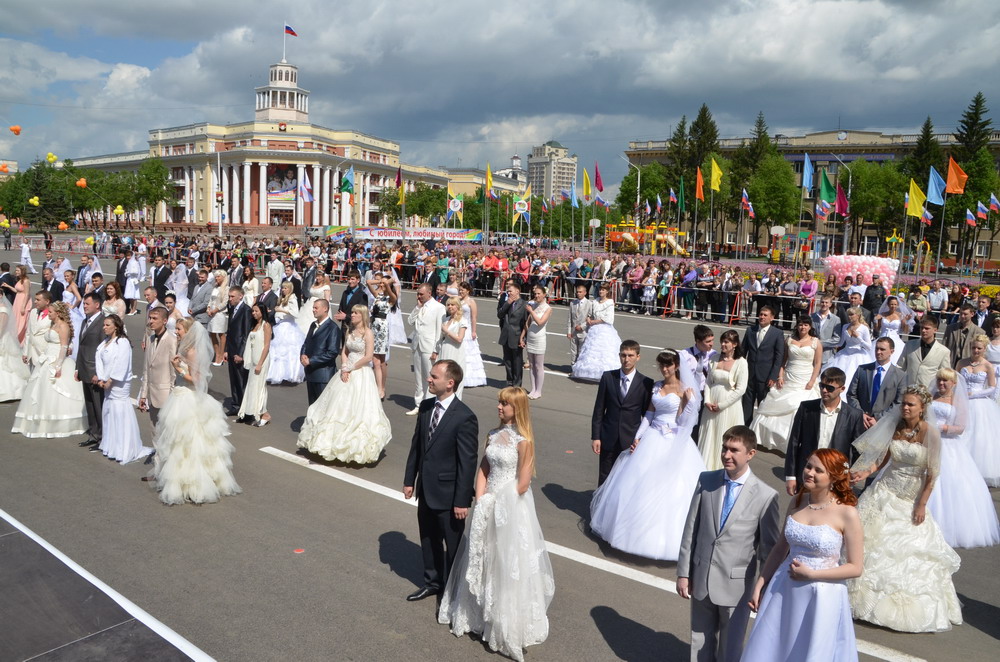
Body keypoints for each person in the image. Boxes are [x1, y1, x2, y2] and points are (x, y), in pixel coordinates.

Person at [438, 387, 554, 662]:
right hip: (489, 502)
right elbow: (484, 468)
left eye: (505, 404)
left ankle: (501, 620)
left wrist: (497, 501)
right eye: (499, 403)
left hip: (511, 506)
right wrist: (481, 497)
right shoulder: (492, 434)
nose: (499, 407)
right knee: (483, 555)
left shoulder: (523, 441)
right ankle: (478, 613)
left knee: (505, 560)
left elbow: (523, 483)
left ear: (518, 408)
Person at [847, 386, 962, 632]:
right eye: (904, 404)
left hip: (910, 498)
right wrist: (864, 472)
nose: (905, 408)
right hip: (885, 491)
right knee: (865, 541)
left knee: (908, 553)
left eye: (911, 404)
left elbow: (932, 474)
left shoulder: (931, 434)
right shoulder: (896, 427)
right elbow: (883, 461)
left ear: (922, 409)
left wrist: (921, 504)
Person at [741, 449, 863, 662]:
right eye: (808, 466)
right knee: (774, 646)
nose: (809, 473)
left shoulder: (847, 513)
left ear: (833, 477)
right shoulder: (797, 502)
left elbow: (855, 567)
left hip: (821, 594)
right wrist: (761, 582)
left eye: (818, 470)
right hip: (784, 588)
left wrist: (813, 574)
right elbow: (780, 548)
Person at [590, 349, 706, 560]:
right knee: (637, 483)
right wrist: (638, 436)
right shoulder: (657, 386)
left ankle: (661, 540)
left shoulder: (685, 389)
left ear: (676, 366)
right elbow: (649, 414)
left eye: (668, 365)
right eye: (662, 365)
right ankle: (627, 532)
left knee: (671, 489)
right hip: (652, 436)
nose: (664, 369)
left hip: (672, 439)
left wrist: (688, 404)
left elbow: (684, 423)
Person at [677, 426, 780, 662]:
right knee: (699, 641)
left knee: (730, 648)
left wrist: (763, 589)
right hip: (701, 577)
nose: (726, 455)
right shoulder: (707, 480)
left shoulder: (766, 496)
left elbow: (769, 550)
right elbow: (690, 529)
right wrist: (684, 573)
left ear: (751, 454)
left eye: (734, 450)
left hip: (737, 588)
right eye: (724, 448)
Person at [403, 360, 479, 602]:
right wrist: (409, 480)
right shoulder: (426, 407)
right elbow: (417, 447)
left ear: (450, 383)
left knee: (453, 547)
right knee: (428, 538)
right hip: (426, 489)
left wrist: (461, 501)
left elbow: (467, 463)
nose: (429, 379)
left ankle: (453, 593)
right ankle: (432, 583)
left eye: (434, 376)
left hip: (450, 497)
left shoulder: (465, 417)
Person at [152, 318, 241, 506]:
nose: (176, 332)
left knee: (191, 442)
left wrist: (178, 369)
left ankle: (194, 484)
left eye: (179, 329)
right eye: (176, 329)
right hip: (180, 394)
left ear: (189, 332)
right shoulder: (184, 349)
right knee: (177, 442)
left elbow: (197, 380)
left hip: (188, 397)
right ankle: (179, 480)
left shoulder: (192, 352)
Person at [297, 305, 391, 464]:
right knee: (335, 406)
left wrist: (351, 368)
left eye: (355, 313)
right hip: (346, 370)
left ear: (362, 315)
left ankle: (356, 448)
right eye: (352, 312)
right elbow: (344, 351)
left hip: (361, 372)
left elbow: (368, 357)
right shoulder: (350, 331)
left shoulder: (368, 333)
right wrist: (344, 367)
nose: (352, 315)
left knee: (358, 411)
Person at [928, 368, 1000, 548]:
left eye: (945, 381)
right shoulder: (931, 397)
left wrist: (941, 428)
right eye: (939, 380)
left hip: (949, 446)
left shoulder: (958, 400)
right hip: (929, 443)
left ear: (953, 384)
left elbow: (961, 427)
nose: (941, 384)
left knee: (950, 486)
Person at [783, 366, 865, 496]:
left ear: (842, 389)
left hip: (835, 478)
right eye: (822, 386)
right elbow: (794, 443)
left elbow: (857, 450)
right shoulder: (806, 408)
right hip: (807, 476)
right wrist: (790, 476)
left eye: (830, 388)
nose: (824, 390)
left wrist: (852, 473)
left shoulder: (854, 415)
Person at [12, 300, 87, 438]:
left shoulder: (63, 326)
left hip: (56, 360)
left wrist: (58, 366)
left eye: (51, 312)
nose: (49, 314)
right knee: (38, 390)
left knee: (54, 392)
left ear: (58, 313)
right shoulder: (53, 324)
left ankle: (54, 423)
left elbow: (64, 346)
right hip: (46, 358)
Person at [750, 316, 823, 453]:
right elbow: (783, 361)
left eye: (806, 325)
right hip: (789, 377)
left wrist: (812, 380)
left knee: (797, 406)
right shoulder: (789, 340)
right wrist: (780, 376)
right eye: (800, 325)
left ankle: (793, 442)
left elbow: (818, 363)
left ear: (810, 327)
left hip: (805, 379)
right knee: (774, 404)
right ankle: (765, 438)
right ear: (797, 326)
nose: (803, 327)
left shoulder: (815, 342)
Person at [590, 340, 654, 486]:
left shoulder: (645, 382)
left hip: (631, 438)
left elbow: (647, 415)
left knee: (626, 477)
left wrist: (642, 439)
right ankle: (601, 507)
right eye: (623, 355)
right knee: (605, 475)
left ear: (638, 357)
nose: (627, 359)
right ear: (619, 356)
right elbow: (599, 409)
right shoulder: (608, 378)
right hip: (608, 436)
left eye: (631, 355)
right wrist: (596, 436)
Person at [95, 314, 151, 463]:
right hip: (106, 382)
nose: (104, 328)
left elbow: (122, 363)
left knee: (119, 411)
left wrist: (111, 380)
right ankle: (111, 445)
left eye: (108, 325)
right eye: (104, 325)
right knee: (109, 412)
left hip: (118, 384)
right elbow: (100, 359)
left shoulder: (123, 342)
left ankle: (123, 448)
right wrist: (101, 378)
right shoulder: (106, 341)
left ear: (116, 326)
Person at [698, 330, 748, 471]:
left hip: (728, 407)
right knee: (709, 435)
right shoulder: (714, 358)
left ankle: (722, 468)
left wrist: (722, 405)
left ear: (735, 344)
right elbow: (708, 382)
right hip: (711, 406)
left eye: (726, 342)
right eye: (722, 341)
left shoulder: (741, 363)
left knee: (724, 436)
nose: (723, 344)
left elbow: (741, 389)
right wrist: (707, 400)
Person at [956, 333, 1000, 486]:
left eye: (979, 348)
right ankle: (959, 467)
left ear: (984, 349)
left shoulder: (988, 366)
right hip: (961, 402)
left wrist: (974, 393)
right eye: (973, 347)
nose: (975, 351)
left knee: (978, 435)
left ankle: (976, 469)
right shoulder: (962, 363)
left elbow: (992, 388)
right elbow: (954, 381)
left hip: (979, 403)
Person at [847, 337, 907, 428]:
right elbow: (851, 395)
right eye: (876, 348)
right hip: (860, 422)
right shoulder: (862, 370)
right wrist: (861, 414)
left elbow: (899, 402)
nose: (878, 352)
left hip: (884, 425)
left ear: (892, 351)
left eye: (882, 349)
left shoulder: (900, 376)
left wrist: (878, 418)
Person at [740, 306, 785, 425]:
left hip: (766, 376)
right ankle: (745, 428)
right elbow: (743, 352)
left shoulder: (777, 333)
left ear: (772, 318)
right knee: (746, 404)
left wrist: (773, 376)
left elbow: (779, 357)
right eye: (760, 314)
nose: (762, 317)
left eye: (765, 315)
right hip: (749, 374)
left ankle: (759, 429)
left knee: (763, 405)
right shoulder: (750, 330)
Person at [572, 283, 623, 382]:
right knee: (591, 350)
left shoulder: (609, 302)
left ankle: (605, 373)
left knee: (604, 351)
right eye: (600, 290)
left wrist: (595, 321)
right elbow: (590, 313)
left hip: (604, 329)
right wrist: (588, 318)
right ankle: (589, 372)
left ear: (607, 291)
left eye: (603, 290)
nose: (601, 292)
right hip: (594, 329)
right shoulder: (595, 301)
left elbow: (609, 318)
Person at [407, 284, 446, 415]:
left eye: (421, 294)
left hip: (429, 346)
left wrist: (436, 349)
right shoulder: (419, 306)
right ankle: (418, 404)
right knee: (418, 376)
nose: (419, 296)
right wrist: (417, 307)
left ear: (429, 293)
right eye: (418, 294)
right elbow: (410, 321)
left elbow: (439, 331)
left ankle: (430, 403)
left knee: (429, 377)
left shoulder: (439, 307)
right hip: (417, 344)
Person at [76, 292, 106, 448]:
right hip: (84, 368)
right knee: (89, 404)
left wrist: (99, 373)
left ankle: (102, 437)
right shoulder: (84, 321)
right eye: (84, 304)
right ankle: (94, 433)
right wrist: (77, 368)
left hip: (95, 371)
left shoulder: (103, 323)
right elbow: (81, 347)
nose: (84, 306)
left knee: (98, 405)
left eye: (87, 304)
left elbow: (103, 350)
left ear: (97, 305)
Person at [138, 307, 176, 427]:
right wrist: (143, 394)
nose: (151, 321)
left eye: (155, 318)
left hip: (165, 394)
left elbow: (173, 371)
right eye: (150, 318)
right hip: (152, 393)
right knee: (154, 432)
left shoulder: (171, 340)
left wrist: (172, 395)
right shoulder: (150, 339)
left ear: (165, 321)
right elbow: (146, 368)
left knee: (167, 432)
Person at [237, 303, 272, 427]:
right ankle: (250, 412)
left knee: (259, 386)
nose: (254, 313)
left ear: (262, 311)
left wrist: (260, 364)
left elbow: (267, 345)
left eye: (256, 311)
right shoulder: (254, 325)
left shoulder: (266, 325)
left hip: (261, 360)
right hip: (252, 359)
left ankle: (264, 414)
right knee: (251, 386)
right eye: (253, 311)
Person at [300, 299, 342, 405]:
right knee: (312, 405)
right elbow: (306, 343)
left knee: (322, 406)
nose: (313, 310)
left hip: (323, 374)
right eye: (313, 308)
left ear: (325, 309)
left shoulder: (332, 328)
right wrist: (303, 354)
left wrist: (311, 361)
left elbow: (332, 352)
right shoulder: (313, 325)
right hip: (310, 373)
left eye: (316, 308)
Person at [267, 281, 306, 385]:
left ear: (290, 289)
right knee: (276, 351)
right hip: (280, 325)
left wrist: (282, 310)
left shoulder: (292, 298)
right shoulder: (281, 298)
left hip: (289, 326)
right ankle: (276, 373)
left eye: (285, 288)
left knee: (289, 351)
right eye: (282, 288)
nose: (283, 290)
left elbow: (295, 313)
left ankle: (291, 374)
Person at [827, 306, 872, 393]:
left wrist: (859, 338)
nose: (849, 317)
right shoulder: (845, 326)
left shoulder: (864, 328)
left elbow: (869, 347)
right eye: (848, 315)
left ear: (858, 315)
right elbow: (841, 343)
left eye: (852, 315)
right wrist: (830, 345)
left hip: (858, 355)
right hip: (845, 353)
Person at [899, 315, 952, 389]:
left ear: (935, 330)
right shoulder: (909, 345)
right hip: (910, 391)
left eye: (927, 328)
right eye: (922, 328)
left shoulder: (944, 351)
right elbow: (900, 368)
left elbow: (945, 376)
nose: (923, 330)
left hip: (930, 393)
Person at [223, 287, 252, 417]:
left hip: (239, 351)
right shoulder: (232, 309)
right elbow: (229, 331)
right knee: (233, 379)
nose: (230, 299)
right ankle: (235, 405)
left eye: (232, 296)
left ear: (241, 296)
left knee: (241, 380)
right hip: (231, 348)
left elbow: (245, 334)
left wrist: (241, 353)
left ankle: (243, 407)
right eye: (229, 296)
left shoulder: (246, 310)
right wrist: (225, 350)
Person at [369, 275, 398, 400]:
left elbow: (387, 287)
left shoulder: (391, 298)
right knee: (375, 360)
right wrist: (381, 280)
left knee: (381, 361)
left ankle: (382, 387)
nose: (380, 285)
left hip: (382, 328)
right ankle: (378, 387)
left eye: (383, 284)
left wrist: (388, 282)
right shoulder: (378, 295)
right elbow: (369, 282)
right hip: (373, 326)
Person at [496, 280, 527, 387]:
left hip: (517, 336)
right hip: (506, 335)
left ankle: (517, 384)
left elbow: (525, 323)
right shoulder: (507, 302)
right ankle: (509, 382)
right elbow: (500, 315)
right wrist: (507, 303)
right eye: (508, 291)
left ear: (517, 291)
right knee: (508, 361)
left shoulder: (523, 304)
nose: (509, 293)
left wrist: (524, 339)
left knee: (517, 362)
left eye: (511, 291)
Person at [523, 284, 552, 399]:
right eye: (535, 293)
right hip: (530, 336)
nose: (537, 295)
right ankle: (533, 388)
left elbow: (540, 322)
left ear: (544, 295)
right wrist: (523, 336)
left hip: (539, 338)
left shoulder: (548, 308)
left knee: (539, 365)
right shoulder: (533, 305)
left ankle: (538, 390)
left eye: (539, 293)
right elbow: (528, 322)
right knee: (531, 365)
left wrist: (531, 311)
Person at [457, 281, 487, 388]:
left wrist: (474, 331)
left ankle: (471, 377)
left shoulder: (471, 302)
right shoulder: (458, 300)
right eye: (459, 289)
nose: (460, 291)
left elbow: (474, 318)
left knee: (468, 354)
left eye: (462, 290)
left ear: (468, 290)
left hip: (468, 328)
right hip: (458, 327)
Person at [0, 296, 30, 401]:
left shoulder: (3, 309)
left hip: (2, 338)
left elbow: (1, 328)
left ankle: (10, 391)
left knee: (5, 362)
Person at [874, 296, 913, 365]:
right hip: (883, 337)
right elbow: (877, 328)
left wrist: (906, 322)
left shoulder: (901, 316)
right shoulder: (883, 314)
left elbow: (905, 331)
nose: (893, 306)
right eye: (891, 304)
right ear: (888, 304)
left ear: (898, 305)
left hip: (895, 339)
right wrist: (875, 321)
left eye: (895, 304)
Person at [812, 294, 842, 367]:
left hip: (827, 355)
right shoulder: (812, 317)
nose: (824, 304)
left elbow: (837, 339)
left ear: (830, 304)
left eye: (826, 302)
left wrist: (819, 343)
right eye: (822, 302)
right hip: (812, 353)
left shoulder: (836, 319)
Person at [298, 269, 332, 333]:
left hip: (319, 305)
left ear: (323, 277)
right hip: (309, 304)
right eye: (316, 276)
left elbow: (327, 300)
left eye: (319, 276)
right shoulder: (314, 284)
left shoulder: (326, 287)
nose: (317, 278)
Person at [567, 283, 593, 366]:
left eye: (580, 292)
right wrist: (568, 331)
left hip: (583, 332)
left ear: (585, 292)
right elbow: (569, 318)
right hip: (574, 332)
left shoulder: (589, 303)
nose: (578, 293)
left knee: (582, 351)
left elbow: (590, 318)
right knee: (573, 351)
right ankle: (573, 367)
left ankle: (580, 367)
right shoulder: (572, 303)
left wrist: (582, 326)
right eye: (577, 292)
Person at [207, 270, 229, 365]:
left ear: (223, 277)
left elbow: (225, 302)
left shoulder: (226, 288)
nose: (216, 278)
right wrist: (208, 308)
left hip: (220, 313)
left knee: (221, 334)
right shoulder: (215, 287)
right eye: (216, 277)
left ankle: (220, 355)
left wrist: (215, 310)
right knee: (212, 334)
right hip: (212, 313)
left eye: (218, 276)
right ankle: (217, 354)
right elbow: (210, 299)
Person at [12, 265, 32, 343]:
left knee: (21, 319)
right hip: (18, 299)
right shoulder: (20, 280)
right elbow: (17, 290)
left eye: (18, 270)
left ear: (22, 271)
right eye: (16, 270)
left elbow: (27, 293)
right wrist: (8, 286)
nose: (16, 272)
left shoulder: (26, 281)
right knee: (16, 318)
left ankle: (20, 339)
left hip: (23, 300)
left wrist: (23, 306)